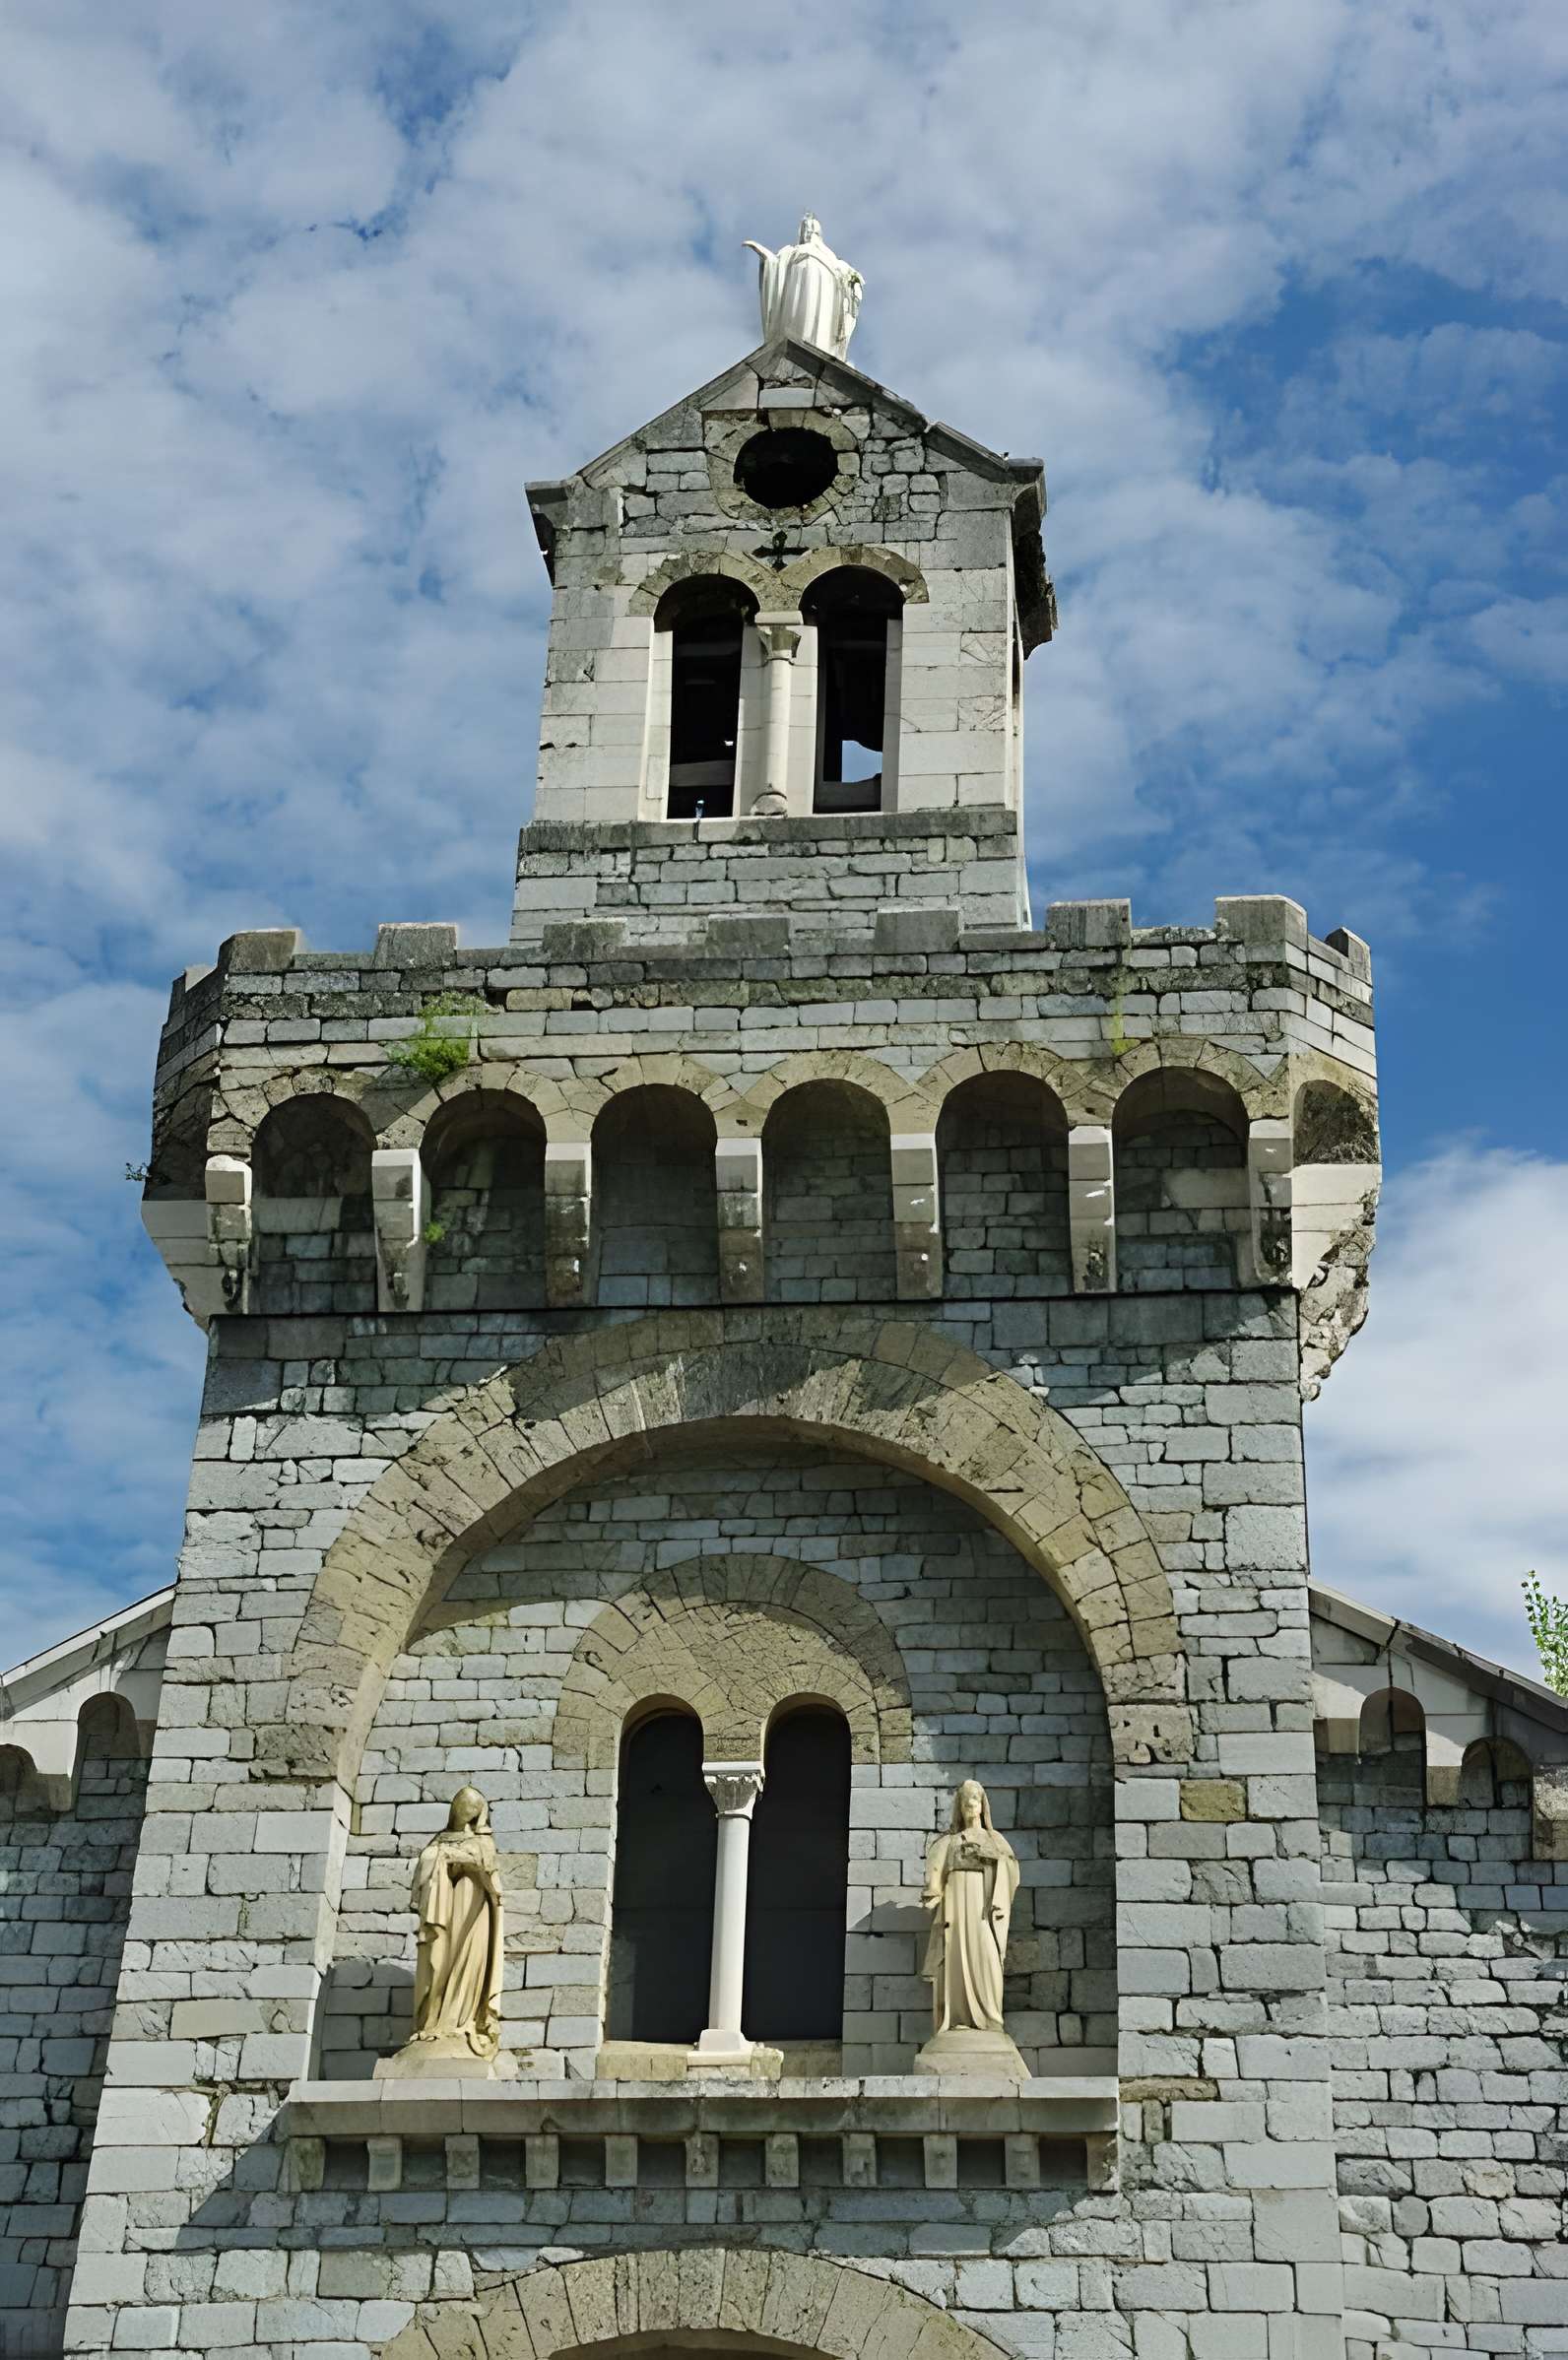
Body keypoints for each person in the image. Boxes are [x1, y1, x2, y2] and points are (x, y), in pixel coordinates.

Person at [409, 1785, 503, 2059]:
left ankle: (460, 2019)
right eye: (463, 1805)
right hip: (444, 1913)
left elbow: (488, 1869)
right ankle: (433, 2019)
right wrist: (441, 1857)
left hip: (473, 1913)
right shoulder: (439, 1839)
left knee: (468, 1958)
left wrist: (461, 1860)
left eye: (473, 1808)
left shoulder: (483, 1839)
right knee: (437, 1961)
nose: (466, 1811)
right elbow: (425, 1865)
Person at [921, 1779, 1019, 2038]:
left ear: (982, 1804)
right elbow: (935, 1873)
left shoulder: (995, 1839)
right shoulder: (948, 1842)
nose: (969, 1804)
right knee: (954, 1954)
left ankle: (990, 2018)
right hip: (955, 1905)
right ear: (960, 1807)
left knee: (987, 1955)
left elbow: (1011, 1872)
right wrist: (933, 1892)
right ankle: (956, 2018)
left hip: (983, 1905)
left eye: (974, 1799)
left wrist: (991, 1860)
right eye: (965, 1800)